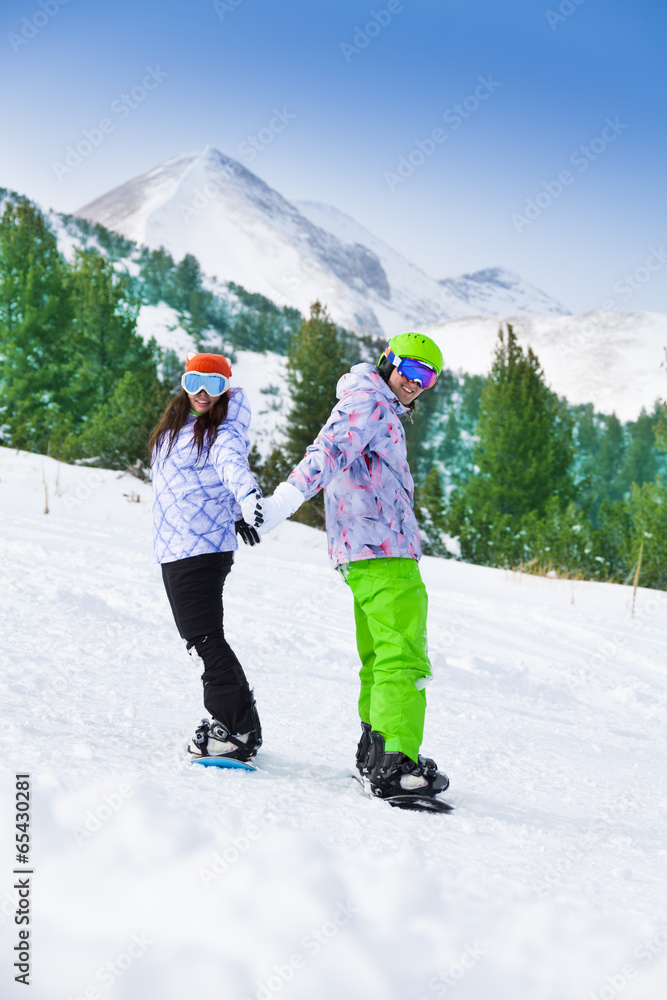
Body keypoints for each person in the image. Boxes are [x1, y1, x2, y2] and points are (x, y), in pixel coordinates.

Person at [243, 332, 450, 799]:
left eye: (428, 377)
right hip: (384, 549)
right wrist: (282, 503)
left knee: (379, 656)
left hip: (364, 550)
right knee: (403, 656)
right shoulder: (372, 404)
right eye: (410, 370)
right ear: (387, 362)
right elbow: (327, 452)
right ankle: (396, 764)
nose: (416, 383)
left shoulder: (368, 401)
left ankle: (376, 753)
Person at [149, 352, 263, 762]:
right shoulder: (178, 427)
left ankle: (234, 730)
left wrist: (248, 498)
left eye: (213, 385)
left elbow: (232, 467)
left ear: (226, 390)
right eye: (194, 381)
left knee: (203, 639)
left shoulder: (222, 431)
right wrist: (233, 511)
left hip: (198, 549)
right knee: (204, 638)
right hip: (178, 548)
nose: (202, 392)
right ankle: (241, 724)